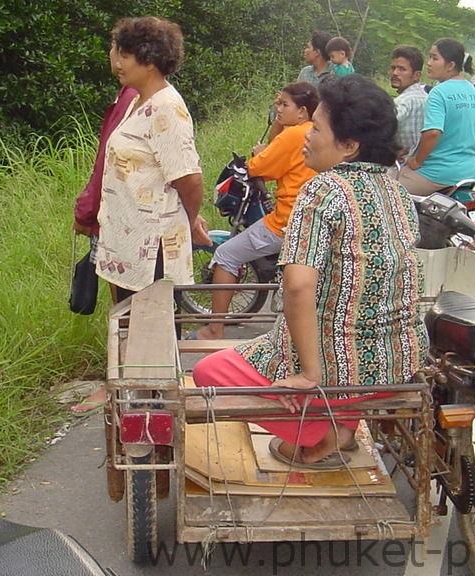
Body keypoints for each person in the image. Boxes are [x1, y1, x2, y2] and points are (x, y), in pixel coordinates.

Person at [192, 74, 427, 470]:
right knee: (288, 346)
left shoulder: (323, 189)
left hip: (338, 368)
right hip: (398, 361)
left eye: (316, 128)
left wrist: (309, 373)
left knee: (208, 370)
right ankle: (342, 423)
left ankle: (320, 435)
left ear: (349, 146)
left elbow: (298, 285)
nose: (306, 136)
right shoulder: (398, 191)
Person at [187, 82, 319, 341]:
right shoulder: (315, 132)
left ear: (302, 111)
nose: (277, 109)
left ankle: (215, 329)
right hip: (309, 219)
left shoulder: (293, 135)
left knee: (226, 254)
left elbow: (258, 167)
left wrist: (260, 152)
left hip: (286, 221)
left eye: (284, 104)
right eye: (277, 103)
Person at [95, 16, 210, 303]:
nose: (117, 63)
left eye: (125, 55)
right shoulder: (138, 101)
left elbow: (189, 179)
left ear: (150, 61)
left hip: (153, 252)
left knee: (152, 338)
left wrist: (190, 220)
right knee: (131, 332)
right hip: (129, 244)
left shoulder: (166, 109)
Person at [69, 44, 139, 414]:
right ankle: (125, 384)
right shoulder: (144, 98)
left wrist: (86, 210)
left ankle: (118, 387)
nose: (113, 58)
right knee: (134, 309)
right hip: (134, 224)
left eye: (115, 49)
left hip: (126, 225)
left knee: (124, 308)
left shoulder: (133, 98)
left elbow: (105, 162)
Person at [396, 38, 475, 197]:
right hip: (470, 173)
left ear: (451, 65)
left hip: (436, 175)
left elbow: (433, 132)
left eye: (434, 58)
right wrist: (474, 159)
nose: (429, 63)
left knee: (386, 191)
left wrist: (417, 161)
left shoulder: (439, 92)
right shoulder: (471, 90)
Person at [389, 45, 427, 161]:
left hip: (404, 165)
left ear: (416, 75)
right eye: (393, 68)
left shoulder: (403, 102)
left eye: (402, 69)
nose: (395, 73)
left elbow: (381, 127)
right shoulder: (428, 98)